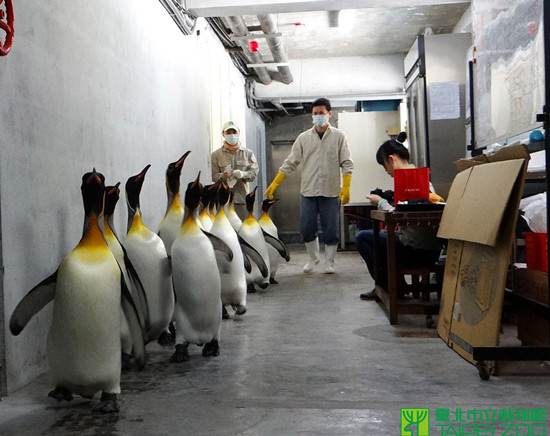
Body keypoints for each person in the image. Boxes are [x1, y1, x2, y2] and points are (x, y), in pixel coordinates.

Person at [264, 97, 354, 274]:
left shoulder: (339, 136)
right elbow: (291, 162)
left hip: (330, 191)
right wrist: (275, 182)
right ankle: (313, 258)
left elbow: (347, 162)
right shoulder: (303, 138)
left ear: (329, 114)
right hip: (308, 191)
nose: (318, 117)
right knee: (306, 227)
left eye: (321, 113)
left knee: (331, 229)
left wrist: (347, 186)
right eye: (315, 114)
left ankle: (329, 262)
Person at [356, 139, 444, 300]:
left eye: (384, 165)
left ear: (392, 159)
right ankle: (394, 284)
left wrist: (381, 203)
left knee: (363, 238)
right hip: (424, 246)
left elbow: (402, 217)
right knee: (376, 236)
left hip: (418, 249)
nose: (386, 171)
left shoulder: (415, 181)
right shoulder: (418, 180)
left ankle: (388, 286)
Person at [211, 121, 259, 220]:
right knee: (225, 230)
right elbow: (213, 177)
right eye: (228, 133)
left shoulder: (248, 153)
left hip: (241, 200)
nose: (231, 135)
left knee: (243, 228)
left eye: (234, 132)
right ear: (223, 134)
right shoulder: (216, 155)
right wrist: (222, 176)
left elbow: (254, 174)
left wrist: (243, 174)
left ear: (238, 133)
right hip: (223, 200)